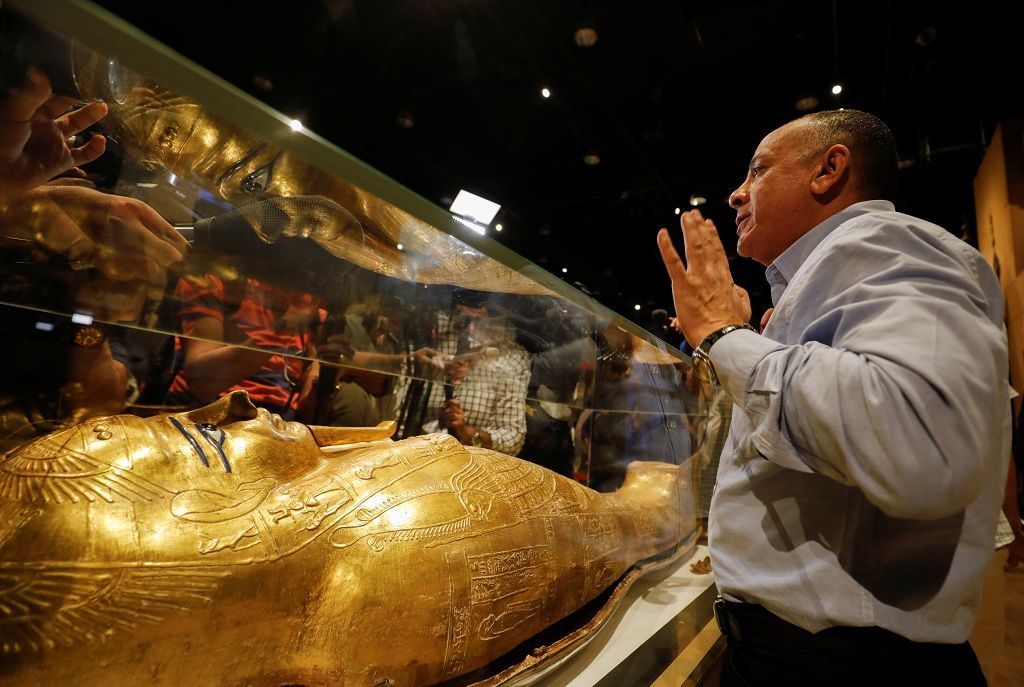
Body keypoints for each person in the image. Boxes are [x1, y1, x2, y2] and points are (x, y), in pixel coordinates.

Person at [0, 390, 696, 686]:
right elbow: (642, 520)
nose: (231, 406)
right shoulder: (391, 548)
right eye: (207, 439)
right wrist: (654, 503)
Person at [658, 109, 1008, 685]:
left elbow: (917, 443)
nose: (736, 193)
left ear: (829, 169)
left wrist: (724, 336)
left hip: (844, 665)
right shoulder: (828, 277)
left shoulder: (891, 242)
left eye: (758, 171)